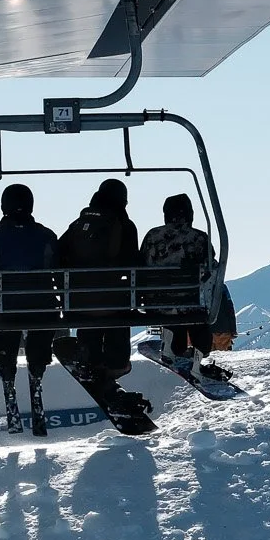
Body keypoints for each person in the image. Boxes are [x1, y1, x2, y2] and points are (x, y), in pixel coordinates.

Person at [57, 178, 150, 427]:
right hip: (114, 304)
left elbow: (58, 254)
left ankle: (92, 364)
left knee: (91, 325)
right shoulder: (124, 225)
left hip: (79, 303)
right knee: (117, 322)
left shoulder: (80, 224)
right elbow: (133, 263)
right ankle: (113, 370)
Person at [0, 183, 61, 436]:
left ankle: (8, 378)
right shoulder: (46, 235)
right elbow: (58, 268)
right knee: (40, 332)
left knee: (6, 329)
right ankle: (36, 376)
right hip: (42, 305)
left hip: (8, 307)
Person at [140, 193, 215, 378]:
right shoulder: (199, 238)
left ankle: (174, 346)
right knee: (194, 309)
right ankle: (199, 354)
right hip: (192, 304)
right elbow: (211, 267)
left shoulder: (153, 236)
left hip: (158, 303)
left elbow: (141, 264)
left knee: (173, 306)